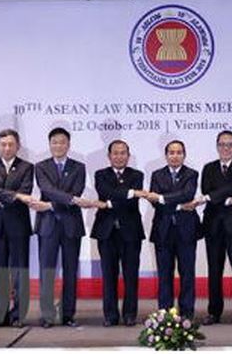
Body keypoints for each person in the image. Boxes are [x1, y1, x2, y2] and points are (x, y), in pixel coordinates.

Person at [31, 127, 95, 328]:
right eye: (54, 142)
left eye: (62, 142)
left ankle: (68, 314)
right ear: (50, 144)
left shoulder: (79, 167)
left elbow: (76, 190)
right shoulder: (41, 167)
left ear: (68, 145)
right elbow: (48, 189)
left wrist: (50, 205)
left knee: (70, 271)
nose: (58, 146)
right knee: (47, 271)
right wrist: (71, 200)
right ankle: (47, 315)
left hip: (71, 225)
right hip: (48, 226)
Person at [141, 140, 201, 320]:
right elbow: (155, 203)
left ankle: (187, 313)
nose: (175, 156)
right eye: (172, 152)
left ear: (184, 155)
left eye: (179, 152)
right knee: (164, 274)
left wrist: (161, 198)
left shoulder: (191, 174)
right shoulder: (157, 175)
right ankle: (165, 313)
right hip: (163, 230)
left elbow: (187, 194)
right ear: (166, 155)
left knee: (187, 273)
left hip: (187, 230)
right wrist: (179, 206)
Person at [198, 130, 232, 326]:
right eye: (222, 144)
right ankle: (214, 311)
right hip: (213, 226)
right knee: (214, 270)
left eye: (230, 145)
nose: (226, 148)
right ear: (217, 146)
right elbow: (206, 190)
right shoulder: (209, 168)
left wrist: (214, 197)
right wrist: (230, 200)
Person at [90, 140, 145, 327]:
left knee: (131, 275)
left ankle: (130, 314)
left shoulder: (137, 175)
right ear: (109, 156)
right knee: (108, 275)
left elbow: (128, 201)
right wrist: (130, 193)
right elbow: (105, 191)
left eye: (123, 153)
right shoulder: (100, 174)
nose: (119, 156)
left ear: (128, 156)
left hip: (131, 232)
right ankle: (110, 315)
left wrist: (108, 203)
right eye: (115, 153)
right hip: (106, 232)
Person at [0, 129, 34, 327]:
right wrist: (16, 196)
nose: (7, 148)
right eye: (3, 144)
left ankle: (18, 315)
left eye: (11, 144)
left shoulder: (27, 167)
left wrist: (11, 195)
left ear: (17, 146)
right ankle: (0, 314)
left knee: (20, 271)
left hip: (19, 225)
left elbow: (26, 190)